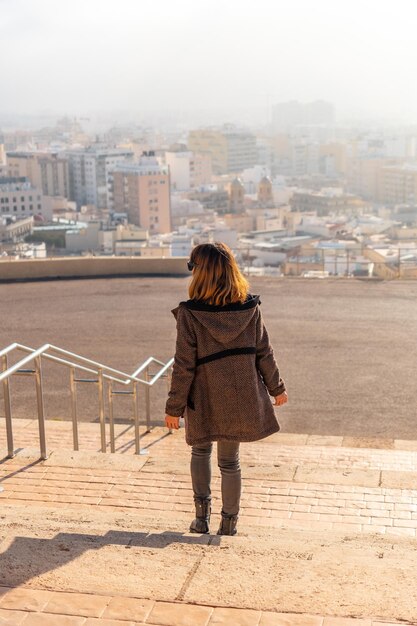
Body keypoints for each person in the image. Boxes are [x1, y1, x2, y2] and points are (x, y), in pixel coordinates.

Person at [165, 242, 288, 536]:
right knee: (230, 462)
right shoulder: (249, 308)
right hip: (241, 395)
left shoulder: (190, 314)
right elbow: (264, 353)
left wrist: (173, 408)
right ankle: (229, 524)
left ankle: (201, 519)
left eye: (191, 267)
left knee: (200, 452)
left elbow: (183, 366)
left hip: (204, 395)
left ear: (200, 273)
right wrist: (276, 388)